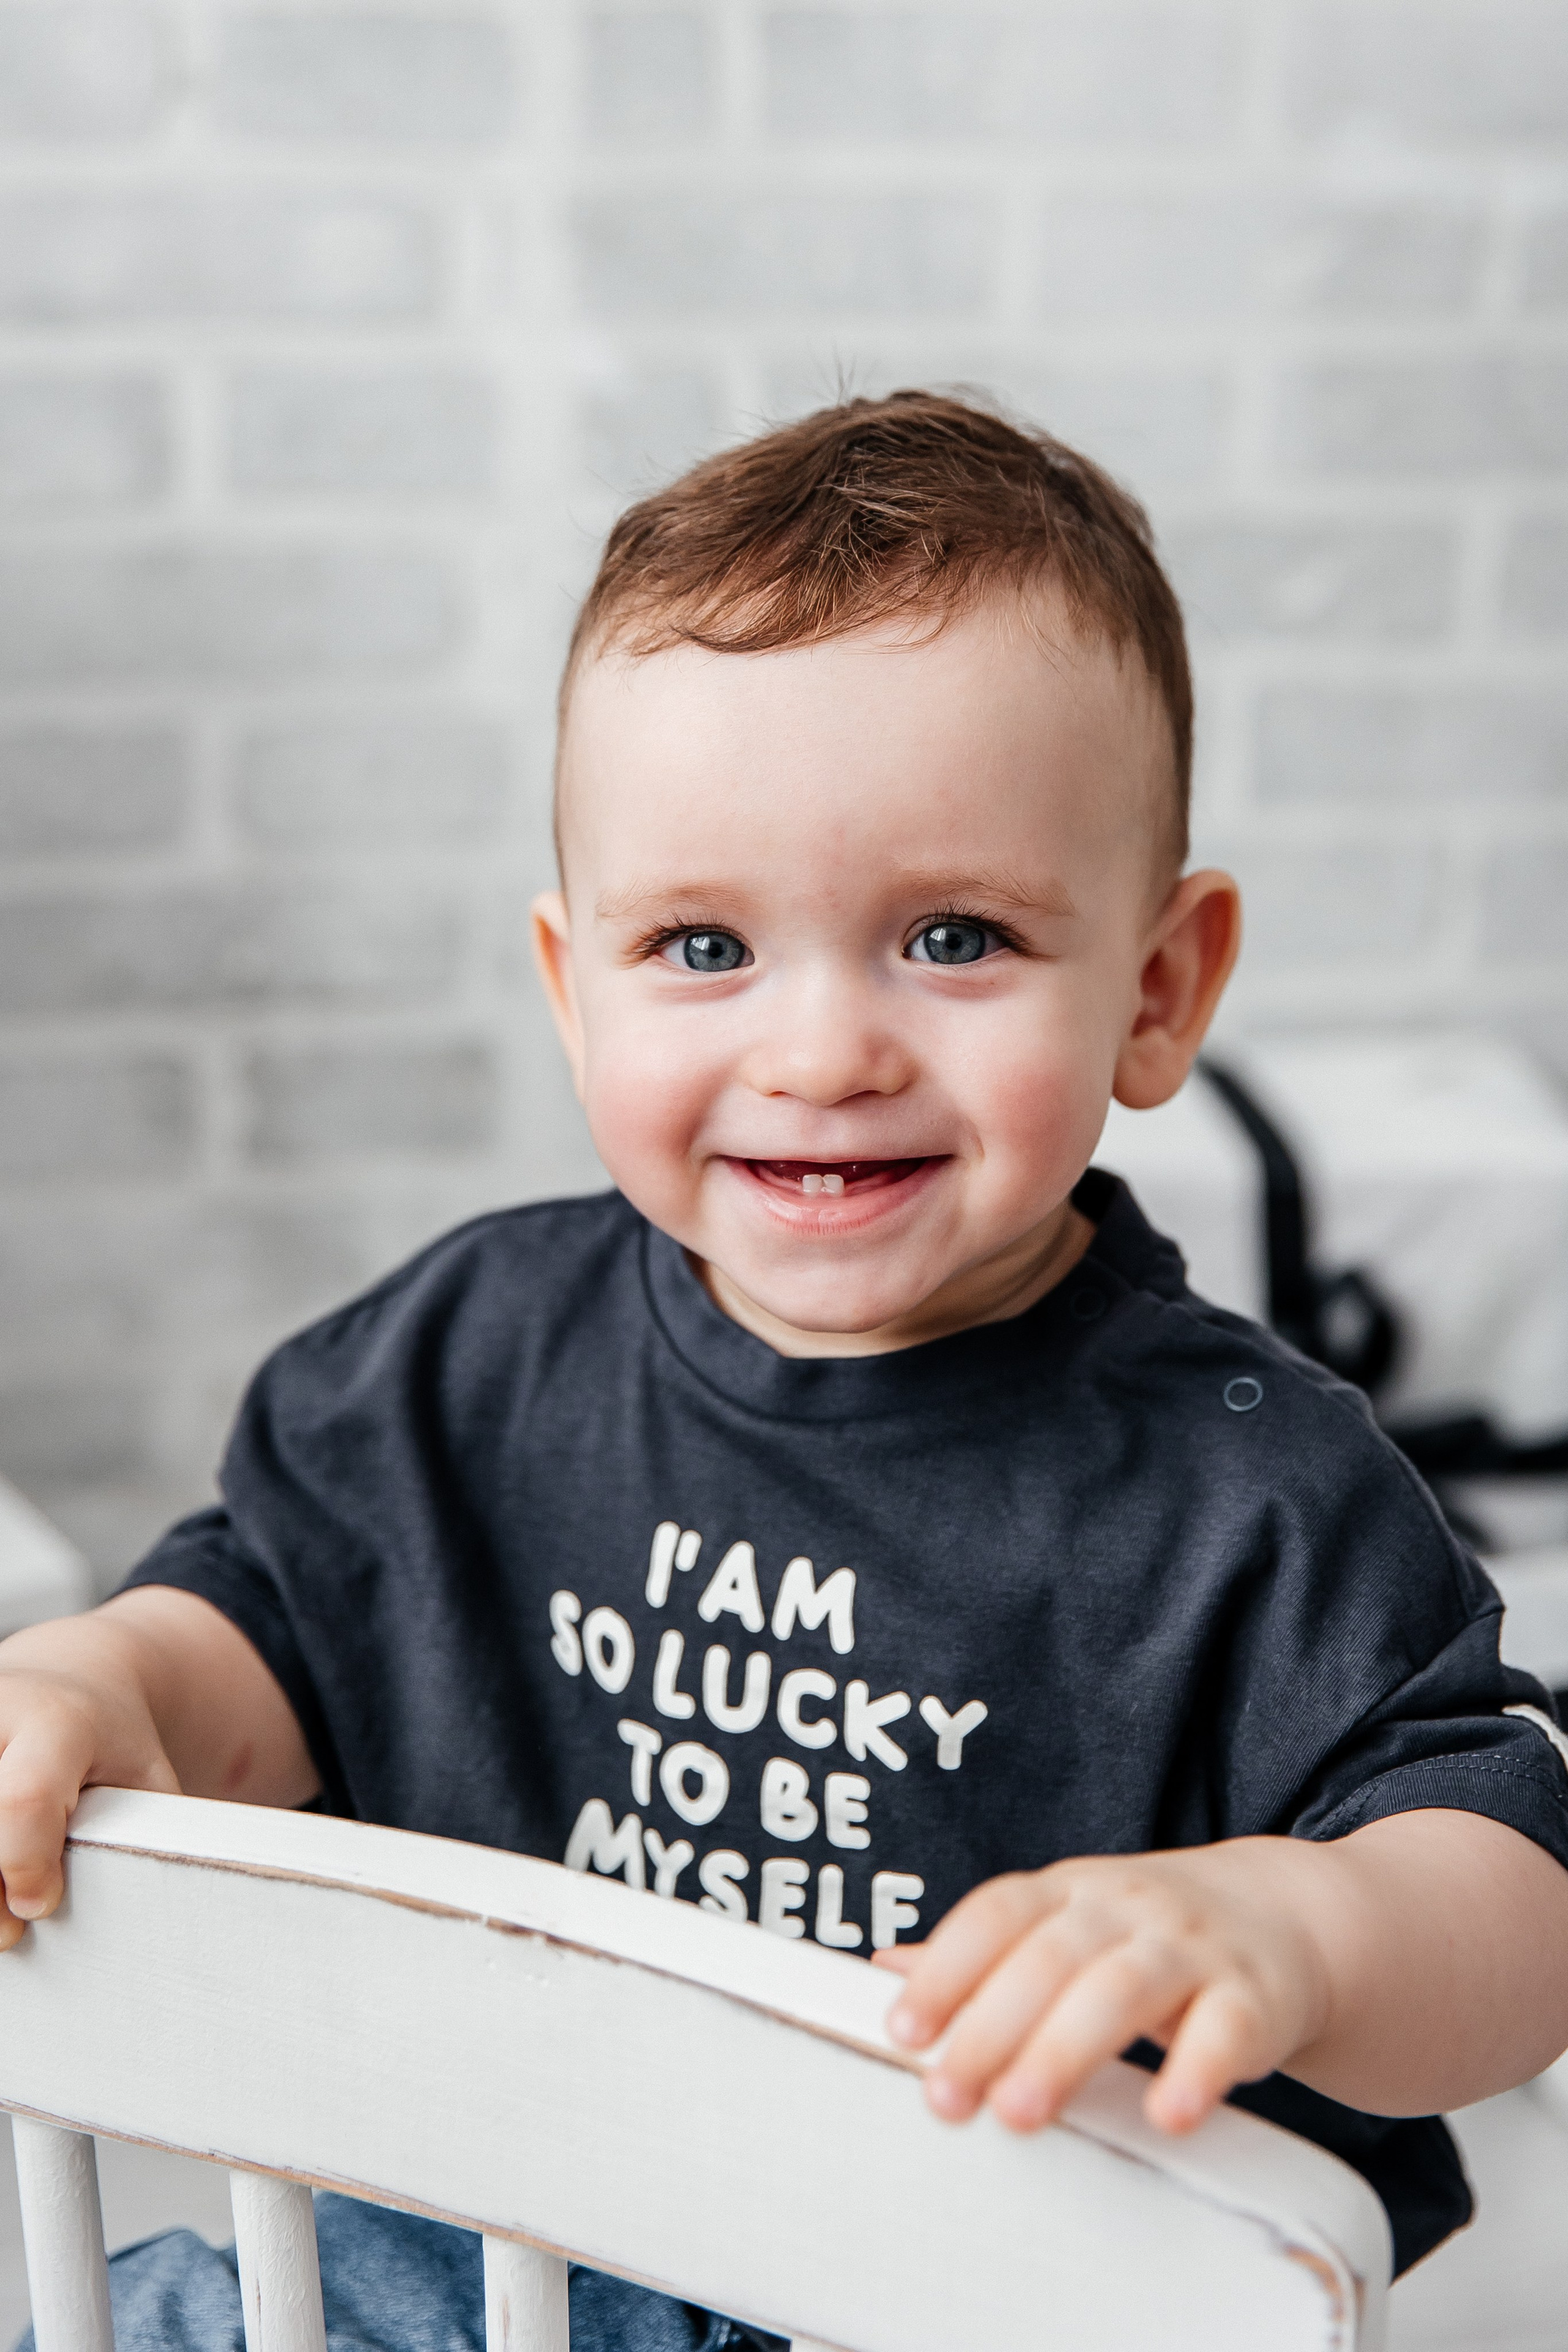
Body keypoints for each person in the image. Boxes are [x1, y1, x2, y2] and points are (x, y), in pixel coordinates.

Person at [4, 391, 1568, 2351]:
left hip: (997, 2291)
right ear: (576, 990)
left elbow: (1513, 1888)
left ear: (1158, 992)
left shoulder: (1245, 1489)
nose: (824, 1049)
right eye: (705, 947)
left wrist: (1297, 1928)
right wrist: (100, 1681)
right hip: (491, 2246)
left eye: (952, 933)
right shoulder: (475, 1363)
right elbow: (271, 1638)